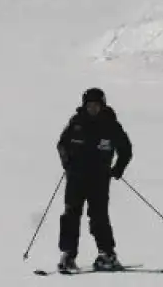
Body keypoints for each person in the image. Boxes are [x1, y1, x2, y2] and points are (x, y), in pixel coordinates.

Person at [57, 88, 132, 273]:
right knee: (70, 215)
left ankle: (107, 254)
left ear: (102, 105)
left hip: (99, 179)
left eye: (96, 105)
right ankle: (68, 255)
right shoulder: (76, 123)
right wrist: (67, 163)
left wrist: (118, 169)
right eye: (89, 105)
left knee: (99, 216)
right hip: (76, 178)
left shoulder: (110, 125)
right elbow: (62, 144)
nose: (93, 109)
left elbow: (126, 149)